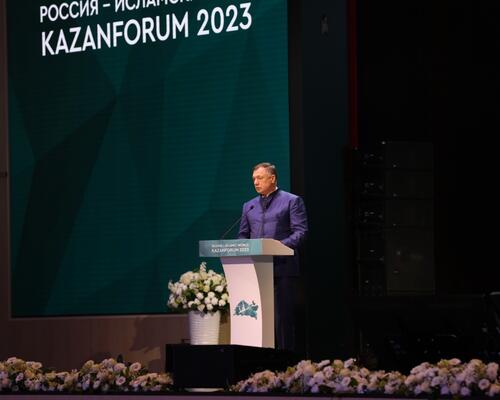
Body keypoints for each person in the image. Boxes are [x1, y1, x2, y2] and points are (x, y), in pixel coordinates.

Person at [238, 162, 308, 353]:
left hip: (282, 269)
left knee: (282, 319)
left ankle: (285, 360)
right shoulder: (249, 206)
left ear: (272, 178)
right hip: (256, 271)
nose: (255, 182)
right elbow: (242, 235)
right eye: (254, 179)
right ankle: (257, 360)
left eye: (260, 178)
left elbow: (300, 232)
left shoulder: (291, 201)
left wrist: (277, 247)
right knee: (255, 318)